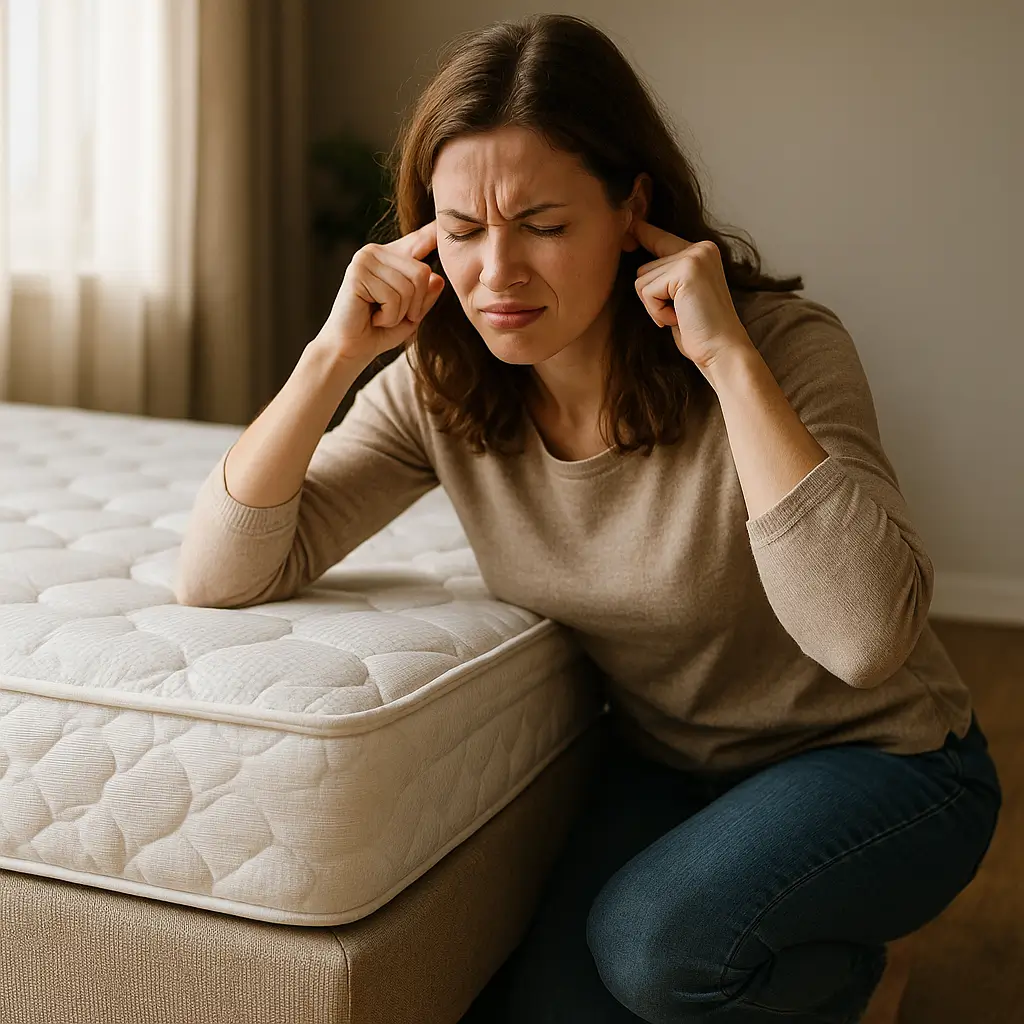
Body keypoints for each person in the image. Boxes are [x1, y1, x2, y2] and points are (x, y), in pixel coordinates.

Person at [175, 13, 1002, 1024]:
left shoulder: (783, 348)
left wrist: (728, 362)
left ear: (631, 211)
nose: (497, 275)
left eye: (544, 225)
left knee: (655, 947)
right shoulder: (445, 392)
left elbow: (866, 640)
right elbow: (218, 573)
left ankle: (865, 976)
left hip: (884, 765)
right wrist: (331, 356)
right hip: (673, 770)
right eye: (464, 230)